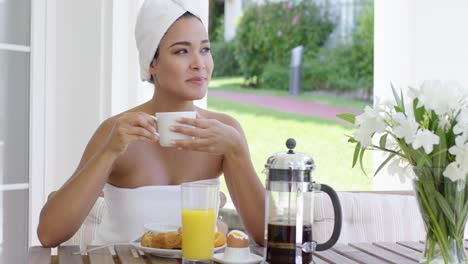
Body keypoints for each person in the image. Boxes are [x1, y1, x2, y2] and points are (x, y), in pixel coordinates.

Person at [37, 0, 265, 248]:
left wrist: (237, 150)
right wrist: (110, 151)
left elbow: (265, 237)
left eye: (205, 49)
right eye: (181, 51)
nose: (199, 63)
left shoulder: (225, 132)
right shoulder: (117, 131)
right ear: (152, 63)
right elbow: (49, 234)